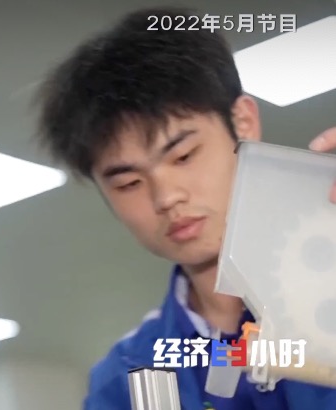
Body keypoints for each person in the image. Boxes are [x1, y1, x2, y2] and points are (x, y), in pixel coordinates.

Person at [35, 7, 336, 410]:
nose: (166, 197)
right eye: (128, 183)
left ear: (243, 123)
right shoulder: (126, 378)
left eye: (183, 156)